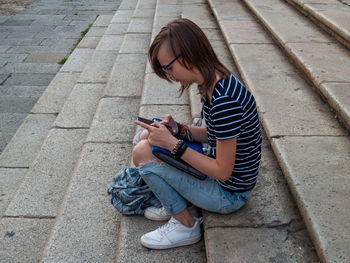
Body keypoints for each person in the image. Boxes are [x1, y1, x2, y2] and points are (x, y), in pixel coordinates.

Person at [132, 18, 262, 250]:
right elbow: (215, 134)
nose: (170, 76)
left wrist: (174, 144)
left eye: (169, 68)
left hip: (229, 195)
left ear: (188, 54)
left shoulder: (224, 100)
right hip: (225, 181)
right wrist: (180, 131)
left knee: (143, 153)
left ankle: (185, 224)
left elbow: (222, 170)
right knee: (145, 138)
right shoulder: (215, 83)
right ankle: (175, 202)